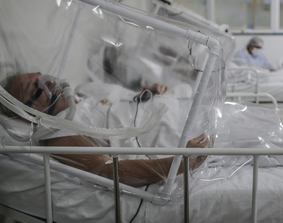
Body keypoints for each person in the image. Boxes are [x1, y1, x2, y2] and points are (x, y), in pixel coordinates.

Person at [3, 72, 209, 187]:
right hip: (185, 135)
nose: (46, 80)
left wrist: (150, 93)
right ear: (25, 112)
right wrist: (179, 162)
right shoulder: (58, 132)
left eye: (39, 75)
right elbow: (108, 171)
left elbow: (124, 104)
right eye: (33, 87)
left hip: (190, 107)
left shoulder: (86, 89)